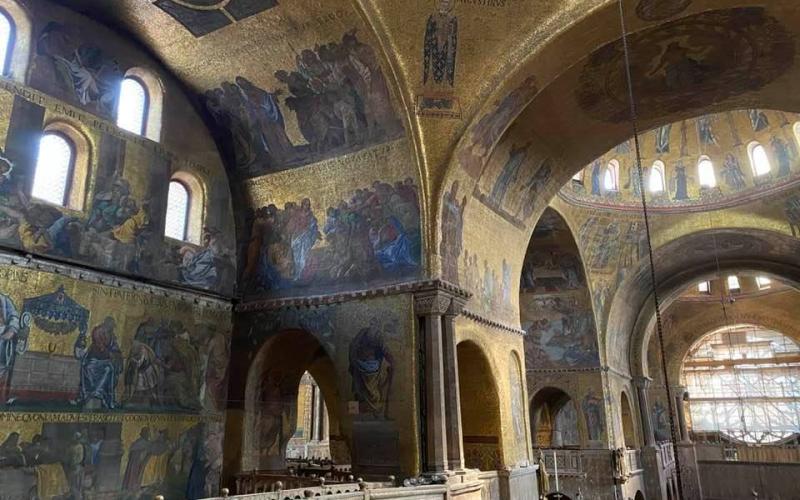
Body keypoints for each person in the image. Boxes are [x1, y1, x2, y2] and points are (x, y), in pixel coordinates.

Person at [74, 317, 123, 409]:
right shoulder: (98, 331)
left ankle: (105, 397)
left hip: (105, 361)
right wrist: (108, 353)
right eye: (111, 325)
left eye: (112, 325)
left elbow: (115, 348)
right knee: (92, 368)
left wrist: (115, 354)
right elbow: (99, 345)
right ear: (106, 323)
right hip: (93, 360)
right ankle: (94, 393)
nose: (112, 327)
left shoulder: (112, 335)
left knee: (110, 369)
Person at [0, 292, 22, 404]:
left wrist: (11, 330)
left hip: (1, 338)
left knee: (2, 369)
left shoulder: (4, 300)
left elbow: (14, 316)